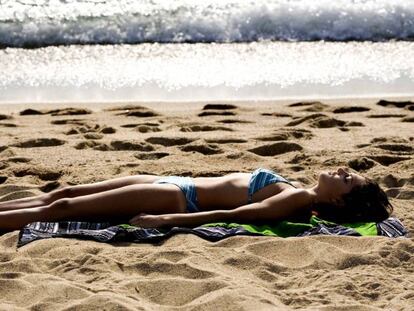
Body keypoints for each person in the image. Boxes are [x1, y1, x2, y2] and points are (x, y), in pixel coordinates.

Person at [0, 167, 393, 231]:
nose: (343, 171)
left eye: (348, 181)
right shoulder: (299, 189)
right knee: (63, 193)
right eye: (348, 172)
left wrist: (165, 222)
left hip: (177, 200)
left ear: (340, 203)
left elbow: (236, 214)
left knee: (62, 209)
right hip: (174, 180)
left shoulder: (293, 203)